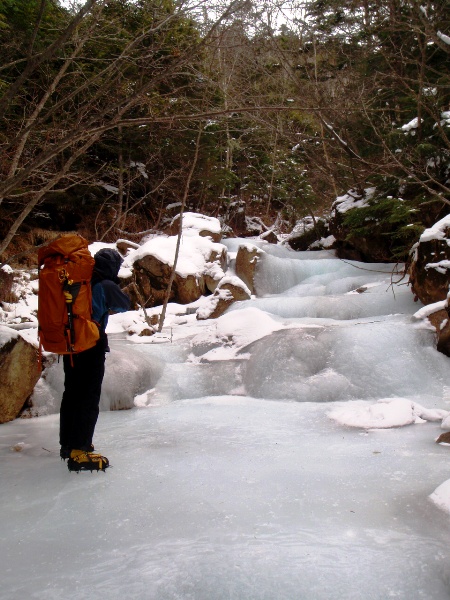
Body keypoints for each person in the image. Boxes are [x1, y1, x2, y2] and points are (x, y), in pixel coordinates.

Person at [59, 248, 130, 472]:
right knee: (88, 398)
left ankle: (68, 445)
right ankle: (80, 450)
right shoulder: (105, 285)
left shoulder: (76, 281)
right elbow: (124, 304)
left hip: (70, 344)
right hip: (91, 344)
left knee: (71, 394)